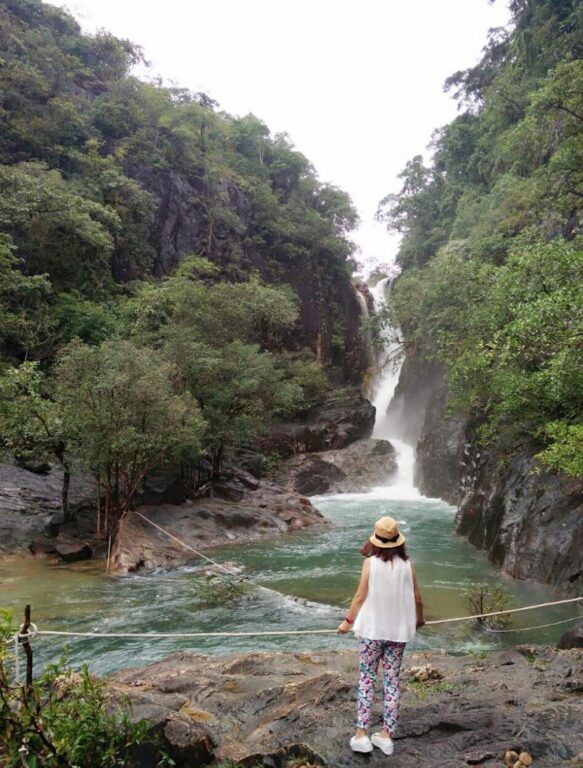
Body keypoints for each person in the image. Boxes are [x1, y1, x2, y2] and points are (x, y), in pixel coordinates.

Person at [338, 515, 425, 755]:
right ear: (398, 541)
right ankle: (386, 736)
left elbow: (359, 597)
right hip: (398, 634)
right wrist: (418, 620)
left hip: (372, 633)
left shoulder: (370, 563)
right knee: (391, 681)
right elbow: (417, 598)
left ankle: (361, 735)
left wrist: (347, 622)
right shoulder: (408, 565)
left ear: (376, 540)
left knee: (367, 679)